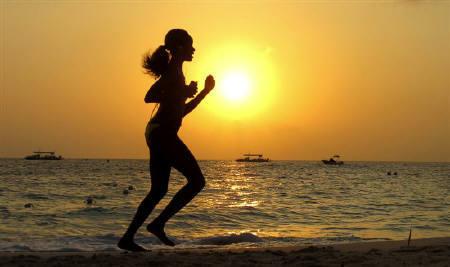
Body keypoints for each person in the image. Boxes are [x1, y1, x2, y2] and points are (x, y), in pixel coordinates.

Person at [118, 29, 215, 251]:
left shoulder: (177, 73)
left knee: (159, 190)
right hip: (162, 133)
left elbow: (181, 112)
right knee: (197, 181)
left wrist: (204, 93)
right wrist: (179, 90)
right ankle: (158, 224)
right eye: (190, 45)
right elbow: (149, 96)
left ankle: (128, 238)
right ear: (179, 47)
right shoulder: (173, 73)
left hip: (159, 132)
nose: (193, 49)